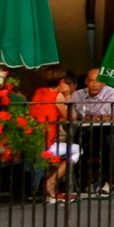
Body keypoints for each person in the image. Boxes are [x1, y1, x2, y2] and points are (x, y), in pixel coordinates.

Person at [32, 71, 78, 200]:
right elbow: (72, 117)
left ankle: (47, 182)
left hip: (35, 140)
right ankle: (50, 182)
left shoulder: (39, 92)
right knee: (76, 150)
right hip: (47, 143)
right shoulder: (58, 96)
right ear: (62, 81)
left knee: (60, 152)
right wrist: (67, 95)